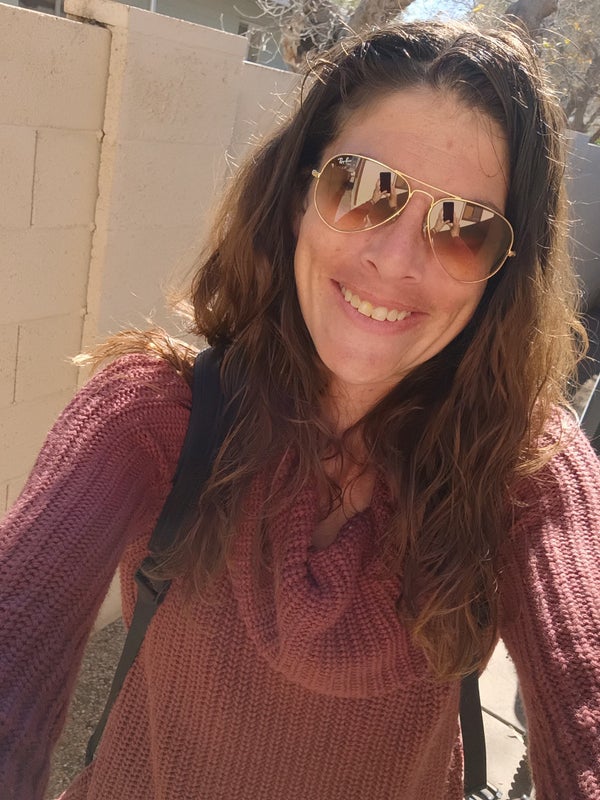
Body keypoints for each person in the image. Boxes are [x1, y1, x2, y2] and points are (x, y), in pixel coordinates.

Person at [1, 18, 599, 800]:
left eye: (463, 228)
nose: (395, 259)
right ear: (296, 198)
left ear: (501, 274)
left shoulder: (523, 469)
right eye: (363, 187)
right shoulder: (152, 417)